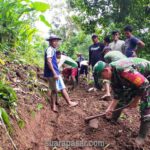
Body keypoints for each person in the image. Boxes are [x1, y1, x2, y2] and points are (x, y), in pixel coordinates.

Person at [93, 58, 150, 145]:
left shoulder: (122, 69)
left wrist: (136, 100)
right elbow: (118, 93)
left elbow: (144, 84)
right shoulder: (112, 73)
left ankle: (142, 136)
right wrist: (110, 108)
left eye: (101, 76)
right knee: (124, 96)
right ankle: (114, 118)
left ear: (106, 70)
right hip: (139, 80)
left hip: (147, 78)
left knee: (145, 105)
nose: (102, 78)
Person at [44, 35, 78, 112]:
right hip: (53, 73)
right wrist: (54, 73)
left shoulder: (52, 50)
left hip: (53, 73)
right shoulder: (50, 50)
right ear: (50, 41)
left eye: (57, 41)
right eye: (54, 41)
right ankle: (68, 102)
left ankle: (54, 105)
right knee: (61, 88)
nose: (56, 43)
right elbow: (48, 61)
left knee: (55, 89)